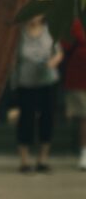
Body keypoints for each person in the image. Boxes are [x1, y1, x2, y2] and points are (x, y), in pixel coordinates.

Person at [13, 14, 62, 173]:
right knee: (26, 118)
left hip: (47, 81)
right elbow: (14, 58)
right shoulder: (19, 34)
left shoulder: (49, 31)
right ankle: (25, 160)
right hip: (26, 82)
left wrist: (51, 63)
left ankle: (42, 159)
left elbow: (59, 52)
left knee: (46, 118)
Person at [61, 18, 86, 171]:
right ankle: (84, 152)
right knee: (84, 117)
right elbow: (65, 46)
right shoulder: (76, 24)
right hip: (79, 79)